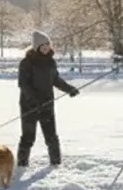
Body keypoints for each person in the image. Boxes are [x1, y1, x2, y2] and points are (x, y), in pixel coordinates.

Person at [17, 31, 79, 167]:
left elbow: (55, 80)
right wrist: (34, 100)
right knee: (28, 137)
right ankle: (22, 164)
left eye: (48, 45)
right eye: (43, 45)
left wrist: (69, 89)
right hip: (29, 106)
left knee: (51, 137)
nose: (46, 48)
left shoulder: (51, 62)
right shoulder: (27, 62)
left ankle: (55, 164)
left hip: (47, 104)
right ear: (36, 47)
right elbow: (23, 84)